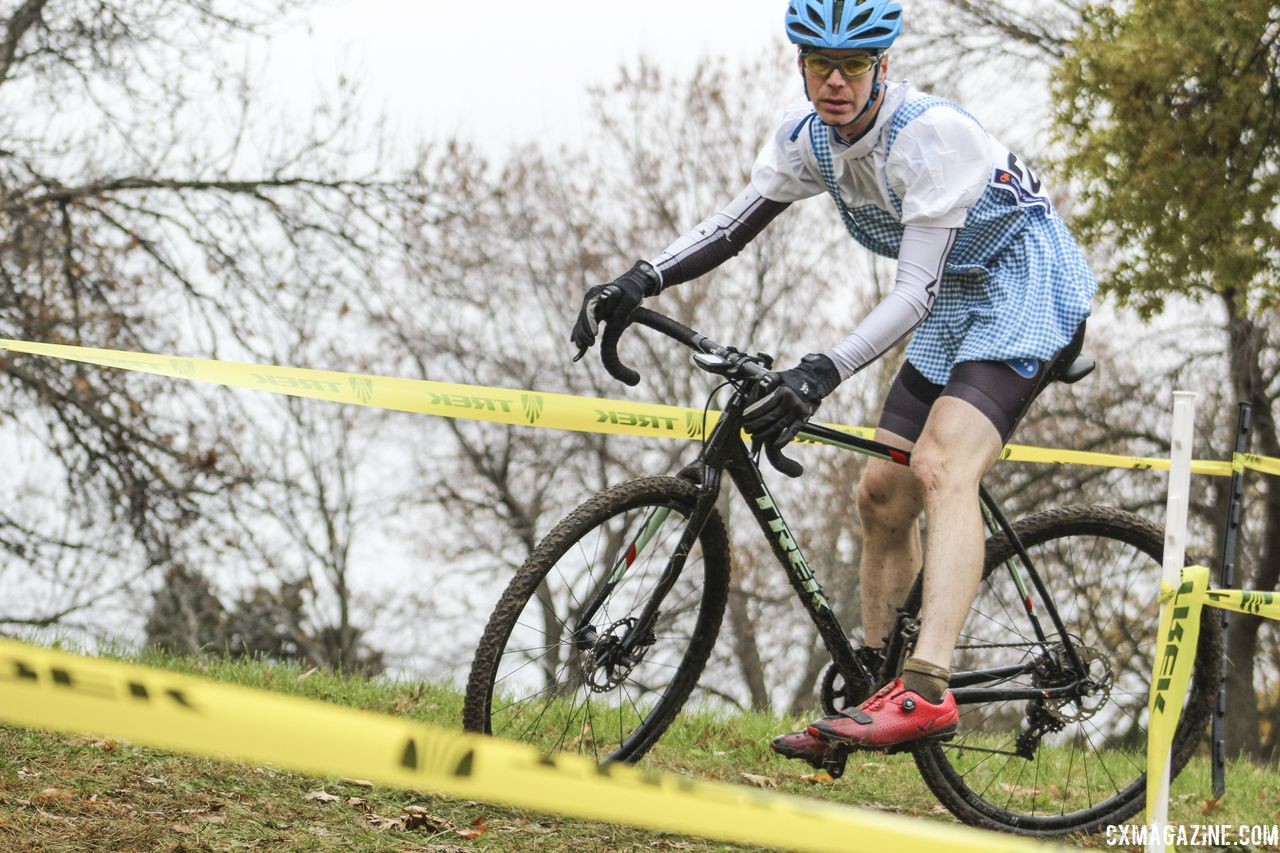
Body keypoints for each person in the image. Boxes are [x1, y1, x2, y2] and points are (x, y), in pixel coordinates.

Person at [569, 0, 1095, 763]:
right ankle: (873, 688)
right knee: (882, 495)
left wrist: (820, 371)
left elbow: (911, 293)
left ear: (884, 65)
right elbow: (732, 225)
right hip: (957, 297)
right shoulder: (807, 135)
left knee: (944, 464)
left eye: (854, 65)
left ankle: (926, 684)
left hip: (1024, 283)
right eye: (821, 64)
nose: (837, 81)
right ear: (801, 65)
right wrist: (640, 280)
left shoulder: (929, 138)